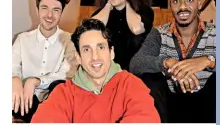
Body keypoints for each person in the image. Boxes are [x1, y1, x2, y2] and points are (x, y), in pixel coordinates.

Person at [31, 18, 160, 123]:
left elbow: (147, 119)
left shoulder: (132, 85)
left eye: (101, 47)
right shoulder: (64, 93)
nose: (95, 57)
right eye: (86, 49)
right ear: (78, 57)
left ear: (111, 53)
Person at [130, 0, 216, 123]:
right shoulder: (159, 33)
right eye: (176, 1)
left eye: (189, 0)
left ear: (199, 4)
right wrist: (167, 62)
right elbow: (136, 63)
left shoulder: (216, 33)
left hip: (208, 107)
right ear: (171, 5)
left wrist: (209, 61)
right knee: (150, 79)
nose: (182, 7)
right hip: (169, 108)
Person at [12, 0, 76, 123]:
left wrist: (36, 81)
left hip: (55, 101)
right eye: (44, 8)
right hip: (25, 101)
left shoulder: (70, 40)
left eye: (56, 10)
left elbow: (67, 74)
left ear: (61, 13)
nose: (50, 15)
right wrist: (15, 78)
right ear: (37, 11)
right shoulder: (22, 39)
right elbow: (12, 65)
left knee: (59, 85)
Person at [92, 0, 154, 71]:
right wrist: (107, 6)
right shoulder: (103, 13)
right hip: (107, 70)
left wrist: (128, 1)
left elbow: (136, 28)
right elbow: (90, 31)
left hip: (137, 71)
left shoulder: (144, 11)